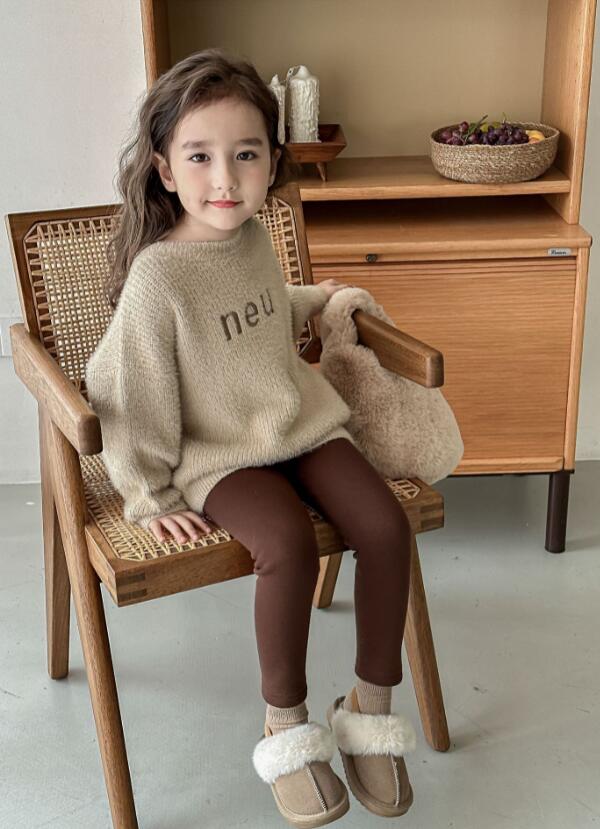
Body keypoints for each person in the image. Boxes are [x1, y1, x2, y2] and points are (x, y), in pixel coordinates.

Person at [86, 47, 415, 826]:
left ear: (272, 161)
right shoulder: (158, 278)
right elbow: (133, 392)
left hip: (299, 420)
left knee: (386, 526)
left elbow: (258, 309)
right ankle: (287, 726)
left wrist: (313, 298)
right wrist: (149, 493)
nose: (225, 179)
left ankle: (368, 709)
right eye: (200, 156)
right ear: (165, 169)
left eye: (246, 154)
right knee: (287, 546)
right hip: (220, 454)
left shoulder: (255, 236)